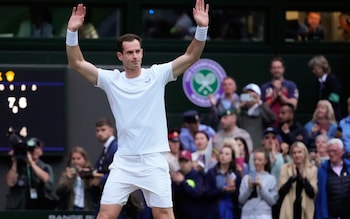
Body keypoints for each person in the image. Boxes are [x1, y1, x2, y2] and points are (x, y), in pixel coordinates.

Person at [65, 1, 209, 218]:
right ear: (120, 56)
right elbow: (76, 63)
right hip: (124, 161)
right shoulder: (111, 80)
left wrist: (201, 28)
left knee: (164, 215)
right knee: (105, 215)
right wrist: (72, 31)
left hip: (153, 160)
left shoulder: (157, 75)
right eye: (129, 52)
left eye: (138, 51)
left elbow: (191, 56)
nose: (135, 56)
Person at [6, 136, 55, 210]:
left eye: (36, 148)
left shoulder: (45, 167)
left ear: (41, 151)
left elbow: (46, 179)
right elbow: (10, 182)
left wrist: (31, 163)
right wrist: (15, 160)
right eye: (31, 148)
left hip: (39, 207)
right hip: (19, 207)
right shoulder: (18, 167)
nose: (33, 151)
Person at [278, 141, 318, 219]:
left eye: (299, 152)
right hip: (289, 206)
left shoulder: (312, 169)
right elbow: (281, 192)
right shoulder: (285, 168)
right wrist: (292, 178)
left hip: (305, 207)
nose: (297, 155)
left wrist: (304, 177)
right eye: (294, 153)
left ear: (305, 153)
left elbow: (312, 193)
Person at [203, 145, 242, 219]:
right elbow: (206, 194)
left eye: (227, 154)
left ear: (232, 158)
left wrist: (233, 190)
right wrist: (222, 190)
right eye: (221, 153)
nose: (223, 156)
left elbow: (240, 197)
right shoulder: (211, 173)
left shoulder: (236, 174)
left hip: (231, 211)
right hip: (214, 211)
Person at [239, 148, 278, 219]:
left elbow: (273, 201)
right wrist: (249, 189)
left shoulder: (271, 179)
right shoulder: (246, 178)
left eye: (260, 160)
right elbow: (241, 200)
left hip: (263, 214)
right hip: (247, 214)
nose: (256, 162)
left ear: (265, 161)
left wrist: (261, 188)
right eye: (255, 159)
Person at [316, 138, 350, 219]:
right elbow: (320, 198)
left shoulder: (348, 167)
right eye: (329, 151)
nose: (331, 154)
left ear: (342, 151)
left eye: (334, 151)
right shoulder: (322, 171)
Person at [261, 57, 299, 128]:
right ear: (270, 70)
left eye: (279, 67)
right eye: (274, 68)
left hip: (286, 126)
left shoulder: (291, 85)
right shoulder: (264, 87)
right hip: (268, 125)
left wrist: (280, 95)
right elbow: (261, 107)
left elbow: (294, 105)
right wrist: (272, 99)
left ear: (283, 69)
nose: (276, 70)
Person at [56, 146, 98, 210]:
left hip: (87, 209)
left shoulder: (91, 173)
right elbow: (59, 192)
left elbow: (96, 192)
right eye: (73, 159)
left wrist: (88, 176)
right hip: (71, 209)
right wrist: (67, 179)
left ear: (85, 159)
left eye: (78, 158)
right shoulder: (66, 174)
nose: (76, 161)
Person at [237, 83, 276, 150]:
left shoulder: (262, 110)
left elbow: (272, 119)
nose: (249, 98)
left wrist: (259, 102)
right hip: (244, 148)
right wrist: (239, 107)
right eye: (247, 95)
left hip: (258, 147)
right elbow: (234, 121)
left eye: (252, 95)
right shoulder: (242, 112)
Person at [170, 150, 204, 219]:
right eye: (181, 161)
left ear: (191, 162)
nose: (183, 164)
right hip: (180, 214)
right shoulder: (176, 175)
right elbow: (173, 196)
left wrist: (183, 182)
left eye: (186, 161)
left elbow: (198, 193)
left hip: (195, 214)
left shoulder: (197, 175)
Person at [308, 55, 342, 121]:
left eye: (315, 69)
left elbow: (335, 98)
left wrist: (324, 107)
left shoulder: (333, 79)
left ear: (321, 68)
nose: (313, 72)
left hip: (333, 116)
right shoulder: (318, 82)